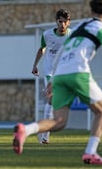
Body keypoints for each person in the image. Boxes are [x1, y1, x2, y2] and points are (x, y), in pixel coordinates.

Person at [13, 0, 102, 165]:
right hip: (78, 73)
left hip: (60, 75)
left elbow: (62, 51)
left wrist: (53, 79)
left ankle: (26, 129)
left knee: (59, 121)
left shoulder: (82, 25)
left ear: (91, 11)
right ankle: (90, 152)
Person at [31, 9, 71, 144]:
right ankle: (45, 137)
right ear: (56, 22)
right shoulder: (47, 34)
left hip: (65, 72)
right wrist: (35, 65)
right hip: (50, 73)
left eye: (65, 22)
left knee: (57, 103)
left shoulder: (72, 36)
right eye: (60, 21)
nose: (63, 24)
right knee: (51, 99)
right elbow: (42, 49)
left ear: (68, 22)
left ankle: (41, 131)